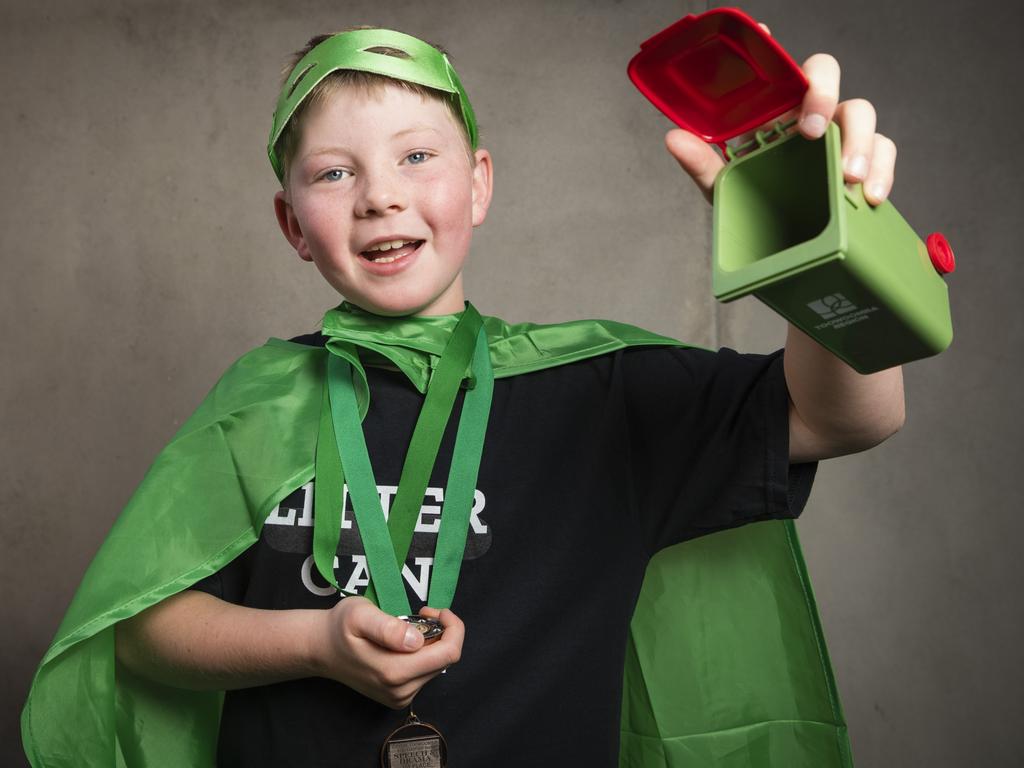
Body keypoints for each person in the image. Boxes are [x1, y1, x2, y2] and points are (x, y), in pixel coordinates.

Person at [22, 22, 904, 768]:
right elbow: (143, 627)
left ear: (478, 182)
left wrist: (822, 239)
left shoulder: (600, 390)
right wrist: (314, 644)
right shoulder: (258, 401)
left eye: (416, 155)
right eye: (334, 173)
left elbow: (844, 416)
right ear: (293, 223)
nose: (381, 197)